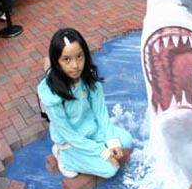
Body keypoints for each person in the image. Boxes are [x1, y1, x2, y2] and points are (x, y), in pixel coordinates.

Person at [37, 28, 133, 179]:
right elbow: (68, 134)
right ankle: (65, 157)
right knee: (109, 170)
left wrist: (111, 141)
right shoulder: (53, 95)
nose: (75, 66)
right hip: (71, 140)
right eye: (66, 59)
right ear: (57, 62)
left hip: (90, 129)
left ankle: (92, 149)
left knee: (126, 140)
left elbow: (101, 113)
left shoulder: (86, 77)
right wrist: (102, 152)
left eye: (79, 57)